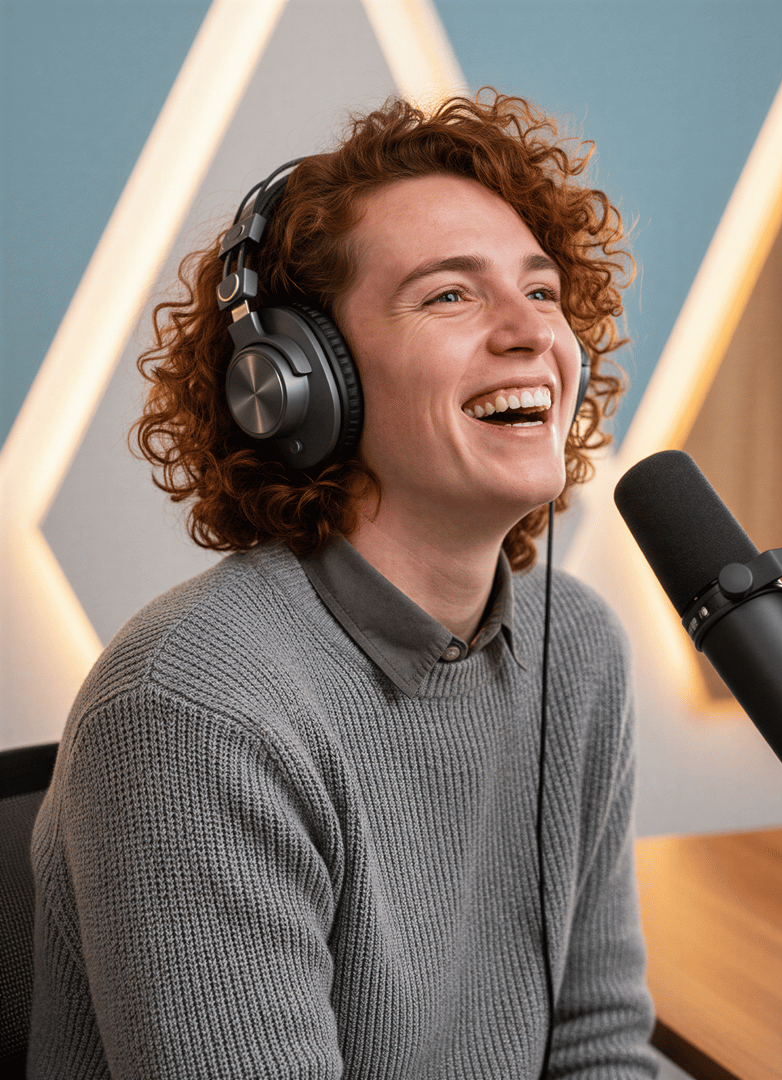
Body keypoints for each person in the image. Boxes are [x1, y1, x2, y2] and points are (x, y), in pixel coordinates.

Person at [29, 92, 657, 1079]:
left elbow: (598, 1044)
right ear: (299, 383)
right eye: (450, 295)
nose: (529, 332)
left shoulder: (575, 644)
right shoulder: (190, 714)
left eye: (541, 292)